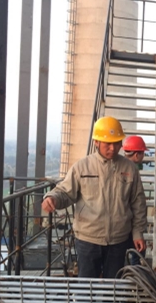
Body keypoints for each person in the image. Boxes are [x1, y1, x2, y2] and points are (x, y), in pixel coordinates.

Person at [42, 116, 147, 278]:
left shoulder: (130, 169)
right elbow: (65, 191)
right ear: (96, 142)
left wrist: (138, 232)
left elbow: (138, 203)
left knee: (113, 286)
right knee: (87, 287)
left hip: (118, 240)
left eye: (117, 143)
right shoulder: (82, 167)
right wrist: (52, 198)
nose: (113, 148)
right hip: (88, 240)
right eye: (107, 144)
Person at [123, 135, 148, 263]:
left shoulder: (117, 167)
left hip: (118, 224)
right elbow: (138, 202)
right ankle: (134, 273)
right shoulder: (132, 171)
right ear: (137, 155)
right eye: (143, 153)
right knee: (138, 252)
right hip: (129, 222)